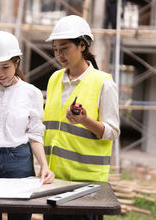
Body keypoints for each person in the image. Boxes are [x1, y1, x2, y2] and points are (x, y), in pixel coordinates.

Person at [0, 31, 55, 220]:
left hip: (19, 161)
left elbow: (35, 135)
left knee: (20, 217)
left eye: (5, 67)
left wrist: (44, 166)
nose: (0, 74)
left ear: (17, 62)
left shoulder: (31, 93)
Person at [43, 15, 120, 220]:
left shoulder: (103, 83)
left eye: (65, 48)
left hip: (87, 187)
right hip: (54, 182)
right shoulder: (54, 79)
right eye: (56, 49)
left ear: (82, 46)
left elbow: (112, 132)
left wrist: (85, 120)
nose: (59, 54)